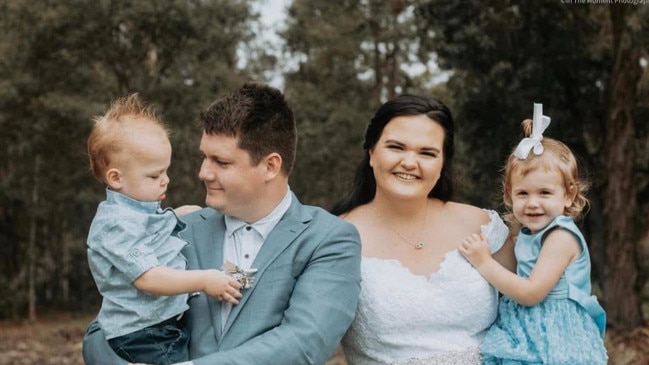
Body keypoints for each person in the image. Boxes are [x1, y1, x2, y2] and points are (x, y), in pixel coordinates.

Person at [83, 82, 363, 365]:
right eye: (205, 157)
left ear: (270, 166)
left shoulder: (329, 239)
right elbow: (108, 325)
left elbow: (304, 342)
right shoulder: (179, 227)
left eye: (221, 162)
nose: (203, 172)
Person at [332, 94, 516, 365]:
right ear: (371, 152)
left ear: (442, 164)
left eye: (427, 153)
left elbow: (529, 310)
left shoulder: (481, 226)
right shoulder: (334, 237)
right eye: (396, 147)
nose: (409, 162)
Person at [86, 94, 243, 365]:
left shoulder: (136, 210)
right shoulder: (116, 224)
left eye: (165, 171)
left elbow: (150, 229)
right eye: (154, 175)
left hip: (155, 328)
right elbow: (149, 278)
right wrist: (205, 280)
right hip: (144, 336)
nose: (165, 181)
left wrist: (178, 215)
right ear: (116, 178)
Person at [458, 103, 608, 364]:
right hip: (528, 328)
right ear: (509, 195)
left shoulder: (560, 237)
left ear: (569, 194)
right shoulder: (527, 233)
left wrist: (483, 262)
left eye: (545, 193)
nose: (533, 203)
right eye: (523, 193)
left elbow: (531, 293)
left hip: (558, 335)